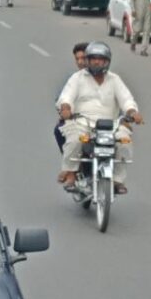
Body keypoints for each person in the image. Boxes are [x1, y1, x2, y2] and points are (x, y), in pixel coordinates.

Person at [56, 42, 143, 194]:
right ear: (88, 60)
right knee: (74, 139)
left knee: (125, 141)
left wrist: (132, 112)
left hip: (110, 126)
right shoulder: (77, 78)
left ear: (107, 62)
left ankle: (118, 180)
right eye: (93, 59)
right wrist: (66, 108)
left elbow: (126, 100)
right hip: (82, 123)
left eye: (100, 59)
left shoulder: (115, 79)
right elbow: (66, 96)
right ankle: (71, 174)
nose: (96, 62)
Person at [54, 42, 89, 152]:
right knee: (59, 130)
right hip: (79, 122)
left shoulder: (107, 78)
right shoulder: (72, 79)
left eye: (83, 58)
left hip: (102, 124)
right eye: (77, 59)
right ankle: (69, 160)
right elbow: (61, 99)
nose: (80, 62)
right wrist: (65, 110)